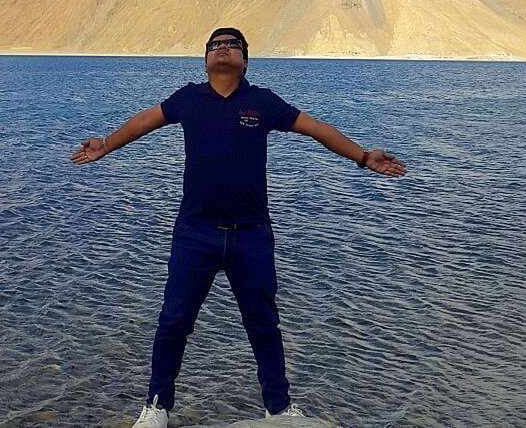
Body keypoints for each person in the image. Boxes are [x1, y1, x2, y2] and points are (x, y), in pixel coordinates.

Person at [71, 27, 407, 426]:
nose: (223, 49)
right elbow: (145, 121)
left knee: (263, 322)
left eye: (232, 45)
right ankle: (157, 407)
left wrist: (363, 156)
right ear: (206, 60)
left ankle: (278, 408)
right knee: (175, 319)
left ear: (245, 60)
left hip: (251, 235)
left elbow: (316, 129)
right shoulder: (188, 99)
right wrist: (106, 145)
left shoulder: (262, 102)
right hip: (196, 233)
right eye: (215, 45)